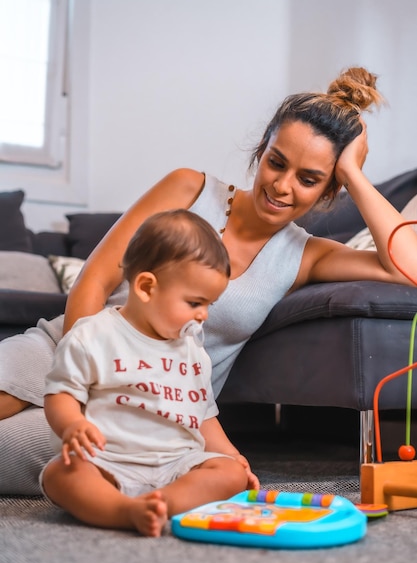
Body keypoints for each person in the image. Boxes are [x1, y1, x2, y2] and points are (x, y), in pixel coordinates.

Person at [1, 66, 417, 493]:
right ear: (261, 151)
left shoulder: (307, 256)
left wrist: (353, 173)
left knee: (18, 452)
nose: (282, 186)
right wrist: (88, 376)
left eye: (309, 179)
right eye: (277, 163)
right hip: (70, 346)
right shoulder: (189, 189)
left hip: (152, 409)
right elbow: (94, 280)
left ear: (329, 190)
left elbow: (410, 269)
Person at [40, 209, 259, 536]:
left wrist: (233, 457)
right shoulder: (93, 335)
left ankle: (162, 503)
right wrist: (73, 424)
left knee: (228, 474)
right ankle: (124, 510)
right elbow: (60, 394)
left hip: (177, 465)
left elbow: (204, 416)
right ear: (146, 287)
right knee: (61, 474)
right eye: (195, 303)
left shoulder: (192, 351)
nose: (203, 316)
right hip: (108, 461)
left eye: (209, 305)